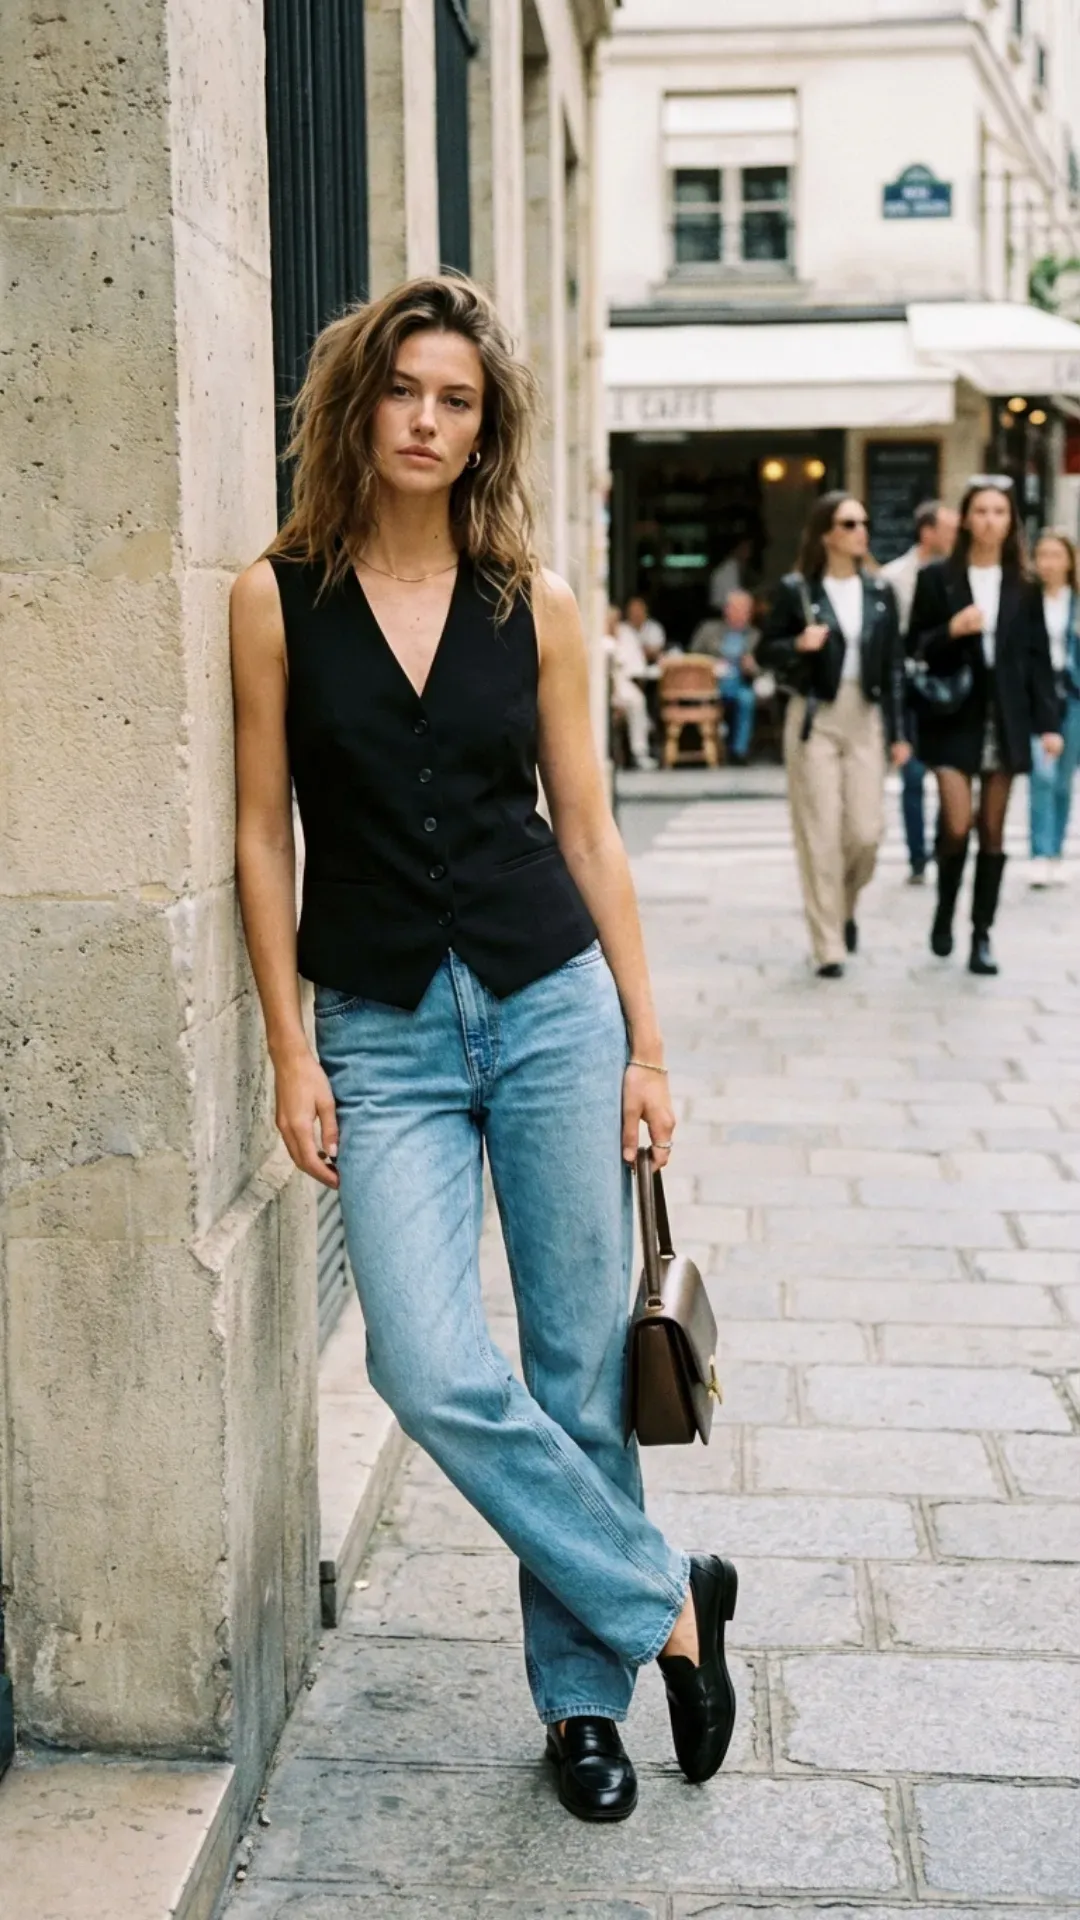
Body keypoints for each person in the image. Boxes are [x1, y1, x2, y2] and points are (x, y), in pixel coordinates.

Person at [229, 275, 738, 1825]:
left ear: (485, 423)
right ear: (357, 406)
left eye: (457, 400)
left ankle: (583, 1706)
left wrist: (649, 1044)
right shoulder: (276, 595)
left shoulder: (540, 600)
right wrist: (284, 1050)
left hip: (545, 1005)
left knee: (581, 1373)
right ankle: (669, 1601)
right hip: (376, 1030)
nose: (429, 422)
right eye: (405, 393)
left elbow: (586, 827)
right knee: (427, 1361)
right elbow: (261, 835)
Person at [907, 477, 1063, 974]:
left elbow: (1039, 660)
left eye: (1000, 512)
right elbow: (915, 646)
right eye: (981, 511)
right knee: (957, 825)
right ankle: (945, 910)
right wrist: (952, 630)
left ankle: (981, 934)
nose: (991, 520)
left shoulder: (1026, 583)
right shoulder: (938, 579)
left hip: (1007, 713)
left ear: (1010, 521)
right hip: (954, 713)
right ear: (967, 519)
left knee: (992, 830)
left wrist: (1049, 723)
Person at [758, 492, 909, 977]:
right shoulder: (797, 588)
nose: (861, 530)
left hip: (865, 716)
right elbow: (764, 651)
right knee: (819, 834)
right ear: (827, 533)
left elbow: (894, 668)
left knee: (866, 834)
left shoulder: (880, 592)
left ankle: (842, 909)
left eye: (863, 522)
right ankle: (828, 944)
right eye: (849, 523)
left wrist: (900, 732)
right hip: (815, 717)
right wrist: (797, 644)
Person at [881, 500, 959, 881]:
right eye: (948, 528)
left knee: (952, 773)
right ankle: (917, 858)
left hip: (948, 684)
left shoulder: (959, 575)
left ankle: (946, 846)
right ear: (927, 531)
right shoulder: (895, 577)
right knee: (912, 775)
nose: (955, 535)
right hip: (909, 683)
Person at [1028, 528, 1080, 887]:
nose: (1047, 563)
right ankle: (1040, 851)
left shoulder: (1076, 602)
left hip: (1072, 691)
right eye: (1041, 555)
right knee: (1041, 775)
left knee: (1062, 779)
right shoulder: (1027, 600)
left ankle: (1057, 849)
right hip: (1036, 694)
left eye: (1055, 555)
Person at [691, 589, 760, 764]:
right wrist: (710, 665)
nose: (742, 614)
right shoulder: (708, 630)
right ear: (727, 610)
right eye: (737, 608)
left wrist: (752, 667)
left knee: (747, 699)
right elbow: (692, 656)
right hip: (710, 684)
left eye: (746, 610)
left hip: (740, 683)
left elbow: (764, 669)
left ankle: (738, 752)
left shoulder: (755, 636)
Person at [606, 602, 658, 770]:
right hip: (604, 685)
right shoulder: (599, 638)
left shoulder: (626, 634)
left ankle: (639, 752)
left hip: (625, 682)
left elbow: (637, 667)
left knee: (637, 700)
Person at [708, 535, 753, 612]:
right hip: (724, 614)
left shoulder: (735, 567)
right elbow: (735, 601)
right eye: (745, 548)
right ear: (736, 549)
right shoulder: (728, 570)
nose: (749, 553)